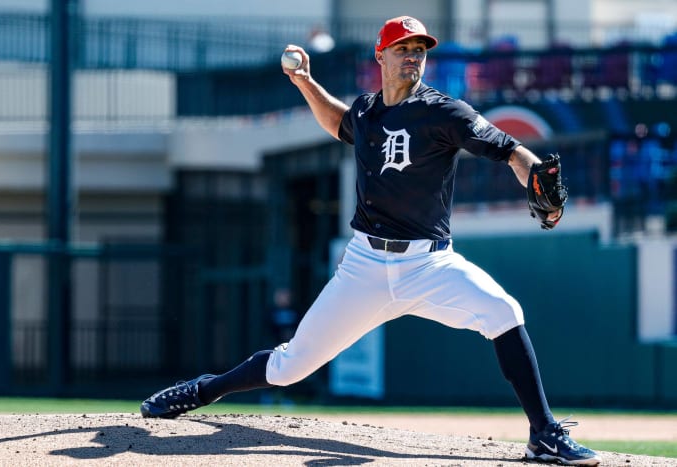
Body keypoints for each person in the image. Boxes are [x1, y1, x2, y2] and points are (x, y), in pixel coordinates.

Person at [140, 16, 600, 466]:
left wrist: (535, 178)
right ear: (380, 55)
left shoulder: (443, 111)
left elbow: (510, 150)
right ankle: (203, 389)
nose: (412, 58)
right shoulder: (365, 111)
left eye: (419, 51)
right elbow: (340, 122)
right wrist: (304, 82)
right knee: (289, 367)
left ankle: (544, 435)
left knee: (504, 312)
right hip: (363, 266)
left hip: (429, 265)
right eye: (403, 49)